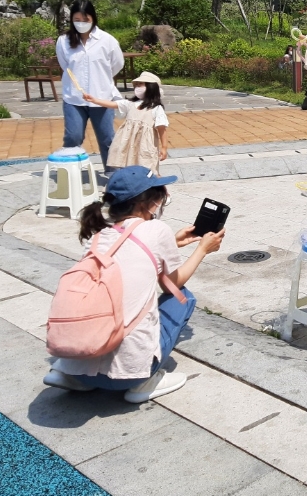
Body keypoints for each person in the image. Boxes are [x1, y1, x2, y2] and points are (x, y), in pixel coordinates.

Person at [43, 166, 225, 402]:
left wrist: (172, 243)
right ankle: (146, 381)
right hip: (129, 375)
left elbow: (131, 253)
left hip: (77, 357)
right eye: (162, 197)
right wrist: (202, 250)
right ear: (147, 203)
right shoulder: (157, 229)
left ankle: (69, 373)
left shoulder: (97, 234)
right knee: (182, 297)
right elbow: (172, 283)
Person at [56, 0, 125, 168]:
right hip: (74, 99)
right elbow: (66, 66)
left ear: (93, 19)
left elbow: (117, 64)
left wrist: (99, 79)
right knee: (73, 136)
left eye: (85, 20)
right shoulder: (64, 41)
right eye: (77, 19)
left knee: (107, 138)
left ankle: (112, 173)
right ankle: (69, 171)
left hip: (101, 97)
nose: (81, 23)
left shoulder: (107, 41)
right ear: (72, 19)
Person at [83, 72, 169, 173]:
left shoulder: (156, 108)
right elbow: (113, 104)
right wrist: (95, 100)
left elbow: (162, 129)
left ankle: (148, 185)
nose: (137, 87)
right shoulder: (130, 103)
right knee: (128, 163)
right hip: (128, 143)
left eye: (140, 84)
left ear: (150, 87)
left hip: (145, 144)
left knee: (146, 164)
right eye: (136, 85)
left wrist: (164, 147)